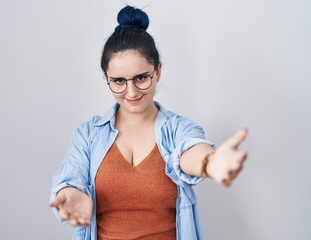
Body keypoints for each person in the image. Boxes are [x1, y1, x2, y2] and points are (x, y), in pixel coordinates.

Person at [49, 5, 248, 240]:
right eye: (119, 81)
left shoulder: (177, 129)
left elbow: (189, 151)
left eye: (141, 77)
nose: (131, 92)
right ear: (107, 78)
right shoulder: (88, 135)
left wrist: (210, 163)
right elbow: (70, 180)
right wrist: (72, 196)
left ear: (158, 72)